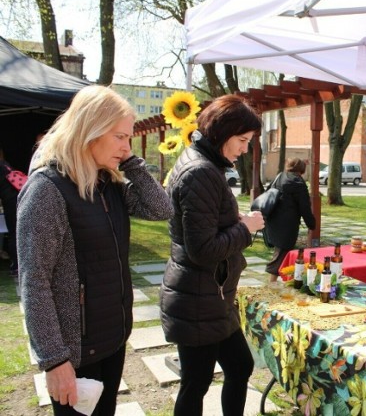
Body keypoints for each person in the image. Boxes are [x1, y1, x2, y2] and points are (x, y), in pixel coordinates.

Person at [17, 85, 173, 415]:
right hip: (73, 353)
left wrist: (130, 162)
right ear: (91, 129)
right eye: (119, 137)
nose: (125, 146)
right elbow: (34, 283)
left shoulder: (108, 184)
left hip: (112, 339)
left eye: (128, 138)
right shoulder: (47, 190)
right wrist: (54, 360)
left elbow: (161, 209)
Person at [160, 94, 265, 416]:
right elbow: (203, 249)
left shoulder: (204, 164)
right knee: (196, 382)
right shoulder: (200, 172)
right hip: (197, 299)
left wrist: (234, 222)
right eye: (242, 140)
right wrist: (246, 229)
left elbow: (203, 227)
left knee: (239, 366)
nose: (245, 149)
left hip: (210, 297)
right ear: (222, 132)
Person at [264, 158, 316, 282]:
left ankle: (290, 279)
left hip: (273, 220)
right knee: (282, 252)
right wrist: (311, 224)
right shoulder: (298, 183)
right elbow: (305, 207)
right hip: (287, 225)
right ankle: (271, 284)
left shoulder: (280, 176)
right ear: (302, 170)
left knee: (283, 251)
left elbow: (268, 192)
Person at [0, 148, 20, 275]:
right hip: (18, 200)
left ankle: (16, 265)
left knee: (14, 234)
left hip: (10, 203)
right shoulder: (5, 165)